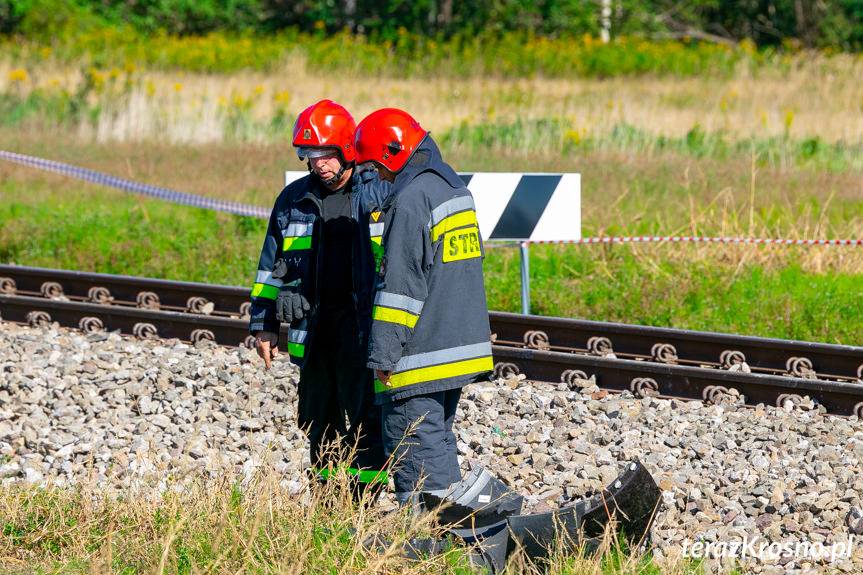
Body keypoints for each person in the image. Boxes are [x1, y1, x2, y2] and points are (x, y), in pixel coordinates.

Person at [352, 108, 494, 505]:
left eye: (377, 166)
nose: (378, 176)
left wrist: (383, 355)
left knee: (415, 450)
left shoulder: (411, 200)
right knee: (437, 442)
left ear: (392, 153)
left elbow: (401, 288)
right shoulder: (453, 189)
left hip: (419, 356)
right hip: (457, 347)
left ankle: (427, 539)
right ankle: (456, 533)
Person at [248, 99, 389, 492]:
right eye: (310, 156)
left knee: (366, 421)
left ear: (347, 150)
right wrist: (263, 324)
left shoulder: (378, 192)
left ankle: (361, 506)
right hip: (314, 331)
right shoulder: (293, 199)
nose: (319, 164)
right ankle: (326, 503)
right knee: (319, 419)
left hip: (364, 331)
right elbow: (269, 266)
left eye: (326, 154)